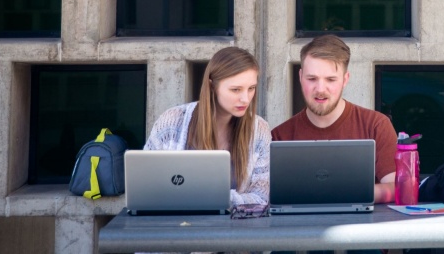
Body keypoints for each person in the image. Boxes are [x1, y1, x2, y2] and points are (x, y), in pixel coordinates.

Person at [271, 34, 397, 204]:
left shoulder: (376, 125)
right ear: (300, 77)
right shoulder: (279, 136)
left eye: (330, 79)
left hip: (360, 226)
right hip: (299, 228)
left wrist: (343, 194)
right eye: (312, 79)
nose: (320, 89)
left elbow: (396, 187)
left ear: (345, 80)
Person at [144, 47, 271, 206]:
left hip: (235, 227)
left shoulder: (259, 130)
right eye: (235, 90)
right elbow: (146, 183)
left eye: (251, 88)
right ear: (212, 86)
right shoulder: (172, 122)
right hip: (176, 223)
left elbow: (261, 197)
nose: (245, 99)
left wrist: (216, 198)